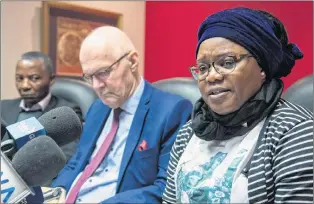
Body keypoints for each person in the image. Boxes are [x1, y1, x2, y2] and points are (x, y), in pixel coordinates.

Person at [162, 7, 313, 204]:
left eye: (227, 62)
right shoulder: (189, 132)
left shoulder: (296, 132)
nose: (212, 76)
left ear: (262, 67)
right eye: (203, 68)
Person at [51, 26, 192, 203]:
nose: (96, 86)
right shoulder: (97, 108)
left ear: (133, 61)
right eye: (88, 77)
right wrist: (54, 194)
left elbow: (166, 188)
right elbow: (77, 163)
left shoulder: (172, 111)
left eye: (103, 73)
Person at [1, 51, 83, 161]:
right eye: (19, 78)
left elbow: (65, 157)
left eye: (34, 78)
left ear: (51, 79)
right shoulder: (3, 107)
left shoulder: (66, 114)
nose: (24, 86)